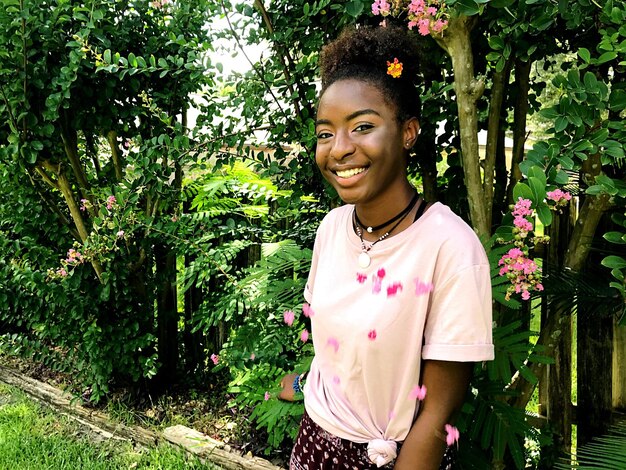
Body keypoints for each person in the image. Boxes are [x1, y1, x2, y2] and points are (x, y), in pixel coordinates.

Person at [279, 24, 494, 469]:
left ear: (408, 132)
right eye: (325, 133)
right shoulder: (331, 229)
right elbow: (340, 349)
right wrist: (305, 385)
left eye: (362, 127)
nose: (339, 149)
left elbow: (436, 416)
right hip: (313, 445)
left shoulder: (448, 247)